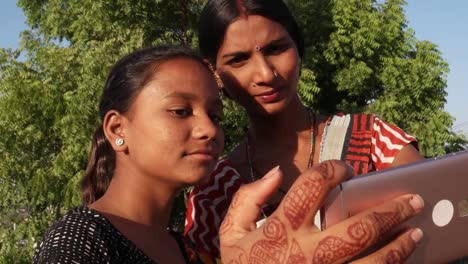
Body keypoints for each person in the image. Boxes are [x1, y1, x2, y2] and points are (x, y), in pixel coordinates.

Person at [31, 45, 423, 263]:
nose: (208, 129)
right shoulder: (81, 239)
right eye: (180, 111)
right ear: (118, 129)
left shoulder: (185, 249)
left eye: (215, 115)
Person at [184, 0, 425, 257]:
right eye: (239, 59)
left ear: (297, 47)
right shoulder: (213, 195)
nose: (265, 74)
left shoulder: (373, 140)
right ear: (215, 73)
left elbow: (437, 221)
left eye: (275, 49)